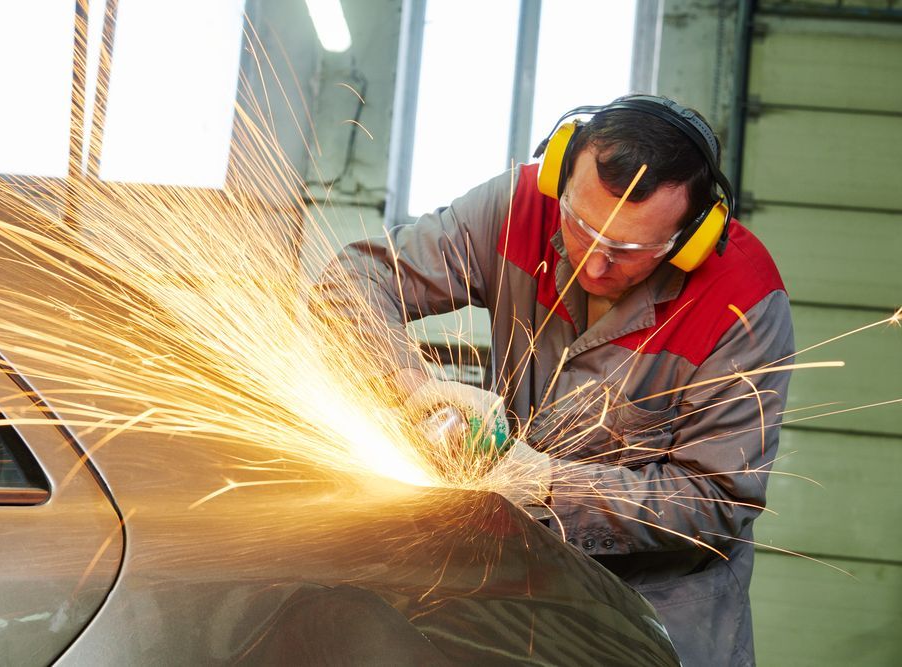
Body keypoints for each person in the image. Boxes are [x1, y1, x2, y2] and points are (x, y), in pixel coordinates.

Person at [316, 95, 793, 666]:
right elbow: (354, 282)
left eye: (629, 250)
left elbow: (716, 501)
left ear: (690, 239)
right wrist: (410, 385)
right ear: (559, 177)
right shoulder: (523, 205)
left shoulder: (741, 301)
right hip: (505, 590)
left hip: (659, 619)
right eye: (580, 227)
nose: (593, 266)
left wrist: (547, 486)